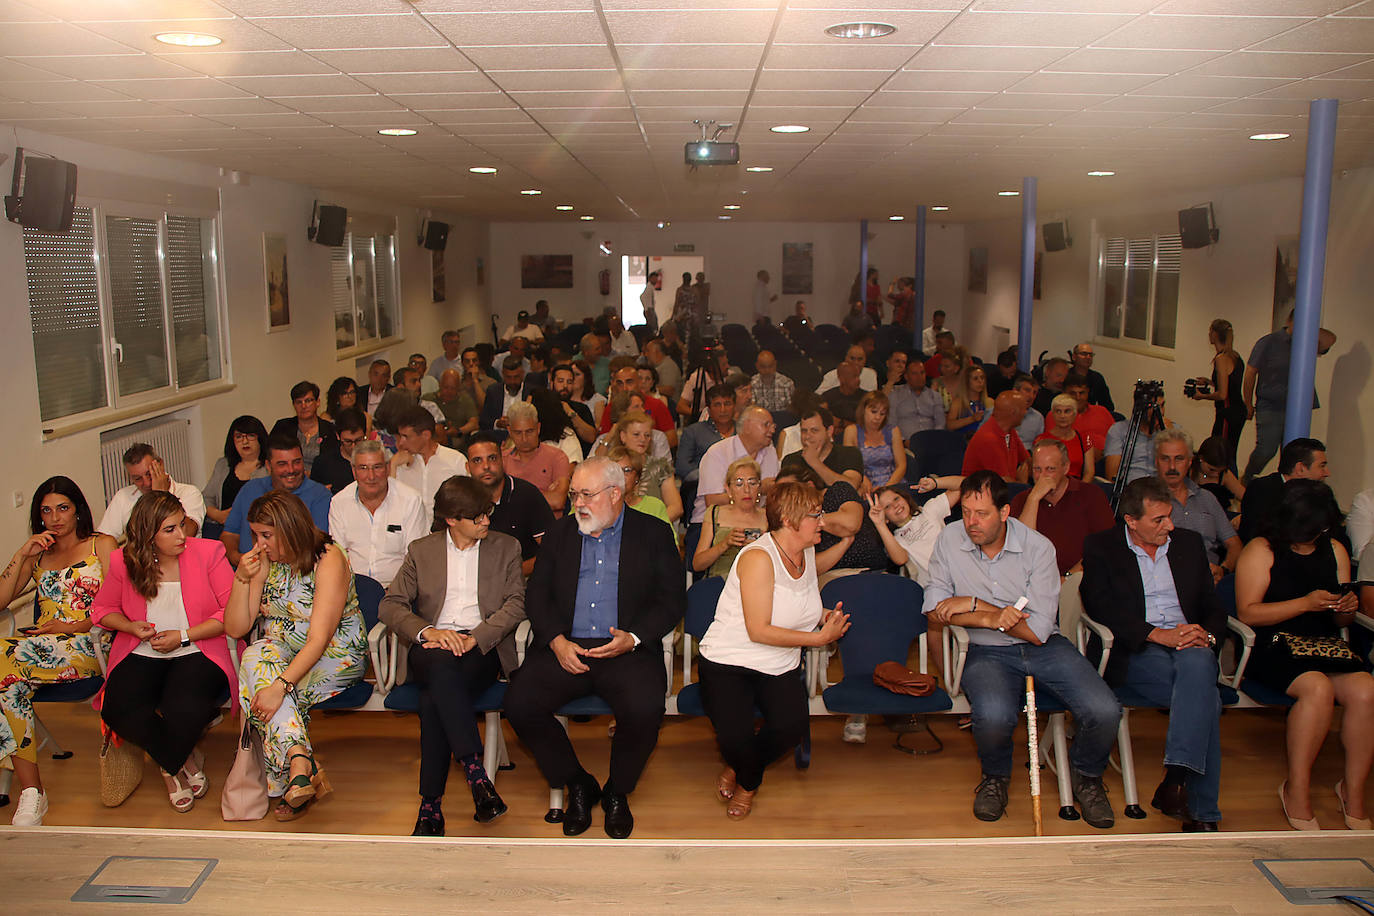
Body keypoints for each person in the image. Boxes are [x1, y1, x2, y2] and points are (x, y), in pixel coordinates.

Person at [924, 471, 1121, 827]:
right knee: (995, 716)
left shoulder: (1038, 547)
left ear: (1004, 512)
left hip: (1045, 646)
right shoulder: (950, 539)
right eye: (966, 512)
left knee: (1105, 710)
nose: (971, 522)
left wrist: (970, 604)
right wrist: (989, 617)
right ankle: (995, 778)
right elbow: (935, 605)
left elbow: (1037, 630)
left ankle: (1086, 776)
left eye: (981, 513)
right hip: (986, 649)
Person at [504, 458, 686, 840]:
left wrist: (634, 638)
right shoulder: (561, 533)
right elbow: (536, 595)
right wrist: (555, 640)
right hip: (566, 646)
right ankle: (578, 783)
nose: (578, 504)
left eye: (587, 495)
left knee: (645, 708)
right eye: (574, 495)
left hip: (626, 647)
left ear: (616, 493)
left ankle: (618, 790)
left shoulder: (653, 533)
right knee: (519, 704)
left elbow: (671, 601)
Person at [380, 476, 527, 835]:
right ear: (451, 519)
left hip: (481, 648)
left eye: (488, 513)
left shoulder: (506, 548)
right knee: (440, 664)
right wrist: (429, 632)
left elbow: (515, 605)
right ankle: (475, 772)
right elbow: (391, 604)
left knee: (434, 698)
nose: (486, 522)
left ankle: (431, 806)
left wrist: (474, 638)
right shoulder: (421, 550)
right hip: (431, 646)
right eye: (477, 517)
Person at [1080, 477, 1227, 832]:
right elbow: (1101, 608)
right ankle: (1196, 805)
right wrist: (1157, 634)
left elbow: (1211, 604)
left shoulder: (1188, 544)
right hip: (1138, 649)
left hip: (1189, 645)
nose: (1170, 526)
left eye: (1169, 517)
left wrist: (1204, 635)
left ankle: (1178, 781)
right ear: (1131, 521)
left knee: (1199, 662)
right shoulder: (1102, 546)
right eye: (1158, 520)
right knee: (1208, 700)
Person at [700, 480, 851, 819]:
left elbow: (800, 603)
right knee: (735, 739)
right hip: (729, 661)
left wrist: (824, 616)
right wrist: (819, 639)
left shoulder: (806, 551)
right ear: (788, 518)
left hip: (778, 663)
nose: (822, 522)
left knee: (790, 727)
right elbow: (758, 630)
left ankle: (740, 769)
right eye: (815, 515)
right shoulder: (757, 557)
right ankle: (749, 782)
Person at [1234, 479, 1373, 831]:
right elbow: (1248, 613)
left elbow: (1339, 619)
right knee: (1317, 688)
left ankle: (1352, 790)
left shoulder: (1335, 550)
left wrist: (1346, 606)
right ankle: (1297, 788)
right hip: (1273, 644)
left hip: (1323, 642)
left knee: (1366, 690)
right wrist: (1304, 603)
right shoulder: (1261, 549)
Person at [225, 490, 368, 822]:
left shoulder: (328, 557)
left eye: (266, 535)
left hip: (334, 654)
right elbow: (237, 627)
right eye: (255, 535)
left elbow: (319, 639)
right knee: (253, 656)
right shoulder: (263, 561)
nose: (259, 544)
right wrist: (241, 579)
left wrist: (280, 686)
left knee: (263, 695)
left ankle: (296, 769)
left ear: (289, 529)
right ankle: (300, 762)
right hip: (282, 651)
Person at [91, 492, 234, 813]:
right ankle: (180, 758)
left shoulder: (209, 552)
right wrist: (130, 627)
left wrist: (183, 636)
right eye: (170, 529)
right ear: (148, 534)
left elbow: (231, 612)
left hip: (197, 648)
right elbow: (102, 609)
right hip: (141, 649)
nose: (183, 535)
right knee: (117, 707)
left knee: (183, 706)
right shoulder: (123, 560)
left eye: (182, 525)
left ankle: (168, 769)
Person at [0, 477, 115, 825]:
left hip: (87, 644)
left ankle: (32, 793)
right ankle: (32, 792)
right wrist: (22, 554)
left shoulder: (102, 545)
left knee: (4, 665)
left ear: (78, 509)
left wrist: (71, 627)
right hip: (37, 652)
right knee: (8, 687)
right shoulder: (40, 555)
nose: (55, 517)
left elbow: (117, 605)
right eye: (46, 510)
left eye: (62, 508)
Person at [1242, 310, 1337, 484]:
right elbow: (1250, 373)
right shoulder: (1269, 342)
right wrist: (1247, 403)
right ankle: (1246, 480)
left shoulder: (1307, 342)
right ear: (1289, 322)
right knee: (1266, 449)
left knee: (1293, 456)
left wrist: (1310, 323)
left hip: (1298, 407)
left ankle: (1286, 488)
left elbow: (1330, 340)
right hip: (1270, 404)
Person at [221, 435, 332, 567]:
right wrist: (238, 559)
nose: (291, 470)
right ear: (268, 465)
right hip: (247, 571)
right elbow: (229, 534)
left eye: (297, 462)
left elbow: (316, 546)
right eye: (282, 464)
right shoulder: (250, 489)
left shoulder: (320, 496)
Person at [328, 441, 427, 588]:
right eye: (363, 468)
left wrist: (396, 593)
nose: (371, 476)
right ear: (354, 471)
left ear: (387, 468)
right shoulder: (339, 503)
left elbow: (416, 559)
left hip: (399, 591)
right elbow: (338, 558)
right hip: (353, 591)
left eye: (377, 467)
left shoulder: (410, 501)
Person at [1012, 439, 1116, 577]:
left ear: (1066, 468)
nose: (1042, 476)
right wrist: (1033, 499)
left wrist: (1068, 577)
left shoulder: (1091, 495)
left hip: (1080, 580)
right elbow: (1020, 551)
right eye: (1037, 469)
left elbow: (1106, 546)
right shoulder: (1022, 500)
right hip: (1033, 581)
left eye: (1050, 469)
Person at [1153, 429, 1241, 583]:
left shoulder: (1207, 499)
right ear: (1156, 462)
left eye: (1179, 459)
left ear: (1189, 462)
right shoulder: (1146, 499)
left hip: (1208, 581)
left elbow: (1234, 544)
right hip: (1164, 580)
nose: (1172, 466)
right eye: (1165, 459)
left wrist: (1223, 569)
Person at [465, 433, 554, 578]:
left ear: (502, 460)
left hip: (522, 580)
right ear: (467, 467)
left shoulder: (526, 494)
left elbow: (552, 550)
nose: (486, 466)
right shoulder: (461, 500)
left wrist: (509, 574)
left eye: (492, 458)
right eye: (477, 460)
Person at [97, 443, 205, 540]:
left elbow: (187, 534)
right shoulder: (123, 496)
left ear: (160, 464)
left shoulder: (189, 493)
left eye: (149, 474)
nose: (147, 483)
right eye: (138, 479)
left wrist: (161, 496)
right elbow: (102, 539)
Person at [869, 477, 963, 587]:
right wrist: (880, 524)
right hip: (937, 586)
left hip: (960, 570)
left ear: (905, 498)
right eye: (888, 506)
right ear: (886, 518)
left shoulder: (928, 510)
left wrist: (936, 483)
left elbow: (965, 484)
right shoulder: (894, 540)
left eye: (896, 499)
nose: (895, 505)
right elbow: (901, 559)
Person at [693, 407, 778, 525]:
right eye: (766, 424)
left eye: (773, 425)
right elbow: (712, 502)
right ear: (747, 427)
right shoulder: (718, 452)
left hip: (755, 522)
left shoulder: (771, 453)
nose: (772, 430)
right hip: (714, 523)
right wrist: (758, 489)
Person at [1238, 437, 1329, 544]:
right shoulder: (1262, 490)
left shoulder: (1319, 495)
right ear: (1300, 468)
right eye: (1321, 466)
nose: (1327, 473)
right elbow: (1256, 535)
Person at [392, 407, 470, 531]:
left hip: (445, 534)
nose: (401, 443)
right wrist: (393, 465)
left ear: (426, 435)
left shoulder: (455, 460)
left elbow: (467, 502)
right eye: (400, 436)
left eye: (406, 437)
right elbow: (390, 502)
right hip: (409, 533)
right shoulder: (400, 461)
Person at [600, 406, 681, 521]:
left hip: (654, 528)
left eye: (647, 435)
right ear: (623, 436)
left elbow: (676, 507)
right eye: (636, 434)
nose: (643, 439)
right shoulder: (609, 466)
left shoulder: (660, 466)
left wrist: (651, 527)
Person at [1189, 319, 1246, 473]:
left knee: (1222, 452)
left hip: (1228, 413)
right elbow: (1230, 385)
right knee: (1228, 452)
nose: (1208, 335)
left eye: (1210, 331)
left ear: (1214, 334)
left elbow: (1222, 394)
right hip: (1236, 410)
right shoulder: (1234, 356)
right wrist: (1209, 382)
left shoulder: (1221, 359)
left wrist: (1201, 396)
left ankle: (1228, 488)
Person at [693, 457, 767, 577]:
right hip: (719, 583)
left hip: (758, 580)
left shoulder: (769, 516)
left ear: (759, 487)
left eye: (752, 483)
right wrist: (725, 544)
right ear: (728, 489)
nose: (747, 490)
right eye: (739, 483)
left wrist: (764, 545)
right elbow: (697, 564)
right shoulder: (714, 513)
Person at [203, 416, 269, 537]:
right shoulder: (223, 464)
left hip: (254, 529)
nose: (245, 441)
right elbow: (206, 497)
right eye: (239, 437)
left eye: (250, 436)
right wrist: (218, 515)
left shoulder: (269, 468)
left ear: (260, 438)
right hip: (220, 526)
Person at [503, 401, 572, 516]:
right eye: (518, 433)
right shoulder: (502, 459)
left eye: (529, 431)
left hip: (549, 529)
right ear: (509, 431)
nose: (524, 439)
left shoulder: (557, 457)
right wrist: (543, 494)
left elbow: (557, 501)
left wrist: (512, 495)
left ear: (538, 428)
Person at [786, 406, 863, 490]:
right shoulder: (791, 460)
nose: (807, 436)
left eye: (814, 430)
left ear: (829, 431)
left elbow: (851, 486)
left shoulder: (849, 454)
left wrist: (814, 462)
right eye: (804, 431)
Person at [1103, 393, 1174, 484]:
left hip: (1163, 490)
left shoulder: (1172, 430)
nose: (1161, 412)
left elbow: (1179, 473)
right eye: (1154, 407)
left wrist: (1170, 436)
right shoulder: (1119, 430)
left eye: (1162, 406)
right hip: (1131, 491)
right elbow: (1111, 477)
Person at [961, 392, 1029, 484]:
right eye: (1025, 409)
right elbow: (1005, 484)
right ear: (1013, 412)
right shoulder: (988, 439)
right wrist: (1022, 482)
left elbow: (1027, 462)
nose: (1026, 412)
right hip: (980, 495)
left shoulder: (1009, 430)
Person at [844, 391, 905, 492]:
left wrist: (886, 488)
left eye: (882, 414)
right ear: (863, 410)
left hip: (893, 484)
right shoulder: (851, 431)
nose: (877, 418)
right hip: (864, 486)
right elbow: (850, 465)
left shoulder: (893, 431)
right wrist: (863, 479)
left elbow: (901, 466)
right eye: (873, 412)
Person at [676, 384, 736, 488]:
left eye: (727, 404)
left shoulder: (745, 431)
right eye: (717, 405)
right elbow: (682, 467)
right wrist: (713, 476)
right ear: (708, 410)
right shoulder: (693, 432)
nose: (723, 409)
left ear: (734, 406)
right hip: (702, 488)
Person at [607, 446, 672, 531]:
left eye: (626, 470)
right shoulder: (600, 507)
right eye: (615, 470)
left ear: (637, 477)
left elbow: (669, 542)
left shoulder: (655, 506)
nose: (620, 476)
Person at [1035, 393, 1095, 481]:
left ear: (1075, 414)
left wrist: (1080, 492)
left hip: (1078, 487)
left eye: (1067, 411)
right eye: (1058, 411)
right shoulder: (1041, 440)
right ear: (1052, 414)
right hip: (1049, 486)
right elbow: (1038, 472)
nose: (1062, 416)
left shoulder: (1084, 439)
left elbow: (1089, 473)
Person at [309, 408, 369, 496]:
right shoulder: (322, 463)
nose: (353, 446)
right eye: (348, 441)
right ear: (337, 436)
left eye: (358, 440)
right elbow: (312, 496)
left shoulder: (374, 460)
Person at [888, 357, 945, 436]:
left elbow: (940, 424)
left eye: (922, 373)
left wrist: (935, 438)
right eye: (914, 373)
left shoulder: (935, 396)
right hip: (904, 443)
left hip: (930, 441)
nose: (919, 377)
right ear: (906, 376)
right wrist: (902, 441)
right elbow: (891, 423)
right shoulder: (895, 394)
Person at [1193, 435, 1246, 519]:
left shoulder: (1225, 475)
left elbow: (1246, 497)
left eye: (1220, 471)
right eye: (1212, 470)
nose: (1216, 474)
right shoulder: (1188, 468)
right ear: (1201, 458)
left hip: (1216, 517)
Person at [479, 356, 535, 432]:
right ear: (503, 375)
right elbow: (484, 422)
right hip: (499, 435)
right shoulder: (493, 391)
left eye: (516, 377)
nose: (512, 381)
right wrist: (498, 423)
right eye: (508, 377)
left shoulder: (532, 392)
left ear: (522, 374)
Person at [946, 363, 993, 440]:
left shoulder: (990, 402)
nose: (980, 382)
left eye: (982, 378)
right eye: (975, 379)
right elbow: (949, 425)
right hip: (962, 442)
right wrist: (972, 419)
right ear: (967, 382)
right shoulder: (958, 403)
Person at [820, 362, 867, 434]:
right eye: (854, 377)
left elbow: (868, 426)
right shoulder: (828, 397)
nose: (858, 380)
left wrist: (841, 423)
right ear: (841, 379)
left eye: (858, 376)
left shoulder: (866, 398)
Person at [1069, 343, 1114, 412]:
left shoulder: (1097, 378)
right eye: (1084, 354)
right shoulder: (1066, 376)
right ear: (1074, 357)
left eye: (1090, 355)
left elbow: (1107, 406)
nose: (1088, 357)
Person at [750, 350, 795, 415]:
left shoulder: (787, 383)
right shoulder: (751, 384)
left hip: (783, 421)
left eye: (770, 366)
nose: (767, 370)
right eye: (763, 367)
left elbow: (792, 410)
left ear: (775, 364)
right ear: (757, 366)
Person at [569, 359, 607, 433]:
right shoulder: (563, 398)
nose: (573, 378)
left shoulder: (598, 400)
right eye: (571, 374)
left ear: (586, 378)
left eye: (577, 374)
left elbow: (598, 428)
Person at [1010, 374, 1045, 452]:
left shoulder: (1038, 418)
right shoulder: (999, 412)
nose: (1031, 396)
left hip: (1027, 456)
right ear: (1015, 391)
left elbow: (1038, 445)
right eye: (1027, 390)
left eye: (1034, 393)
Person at [643, 339, 680, 403]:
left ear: (657, 352)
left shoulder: (669, 366)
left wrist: (648, 389)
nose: (646, 354)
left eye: (648, 351)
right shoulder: (657, 366)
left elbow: (669, 390)